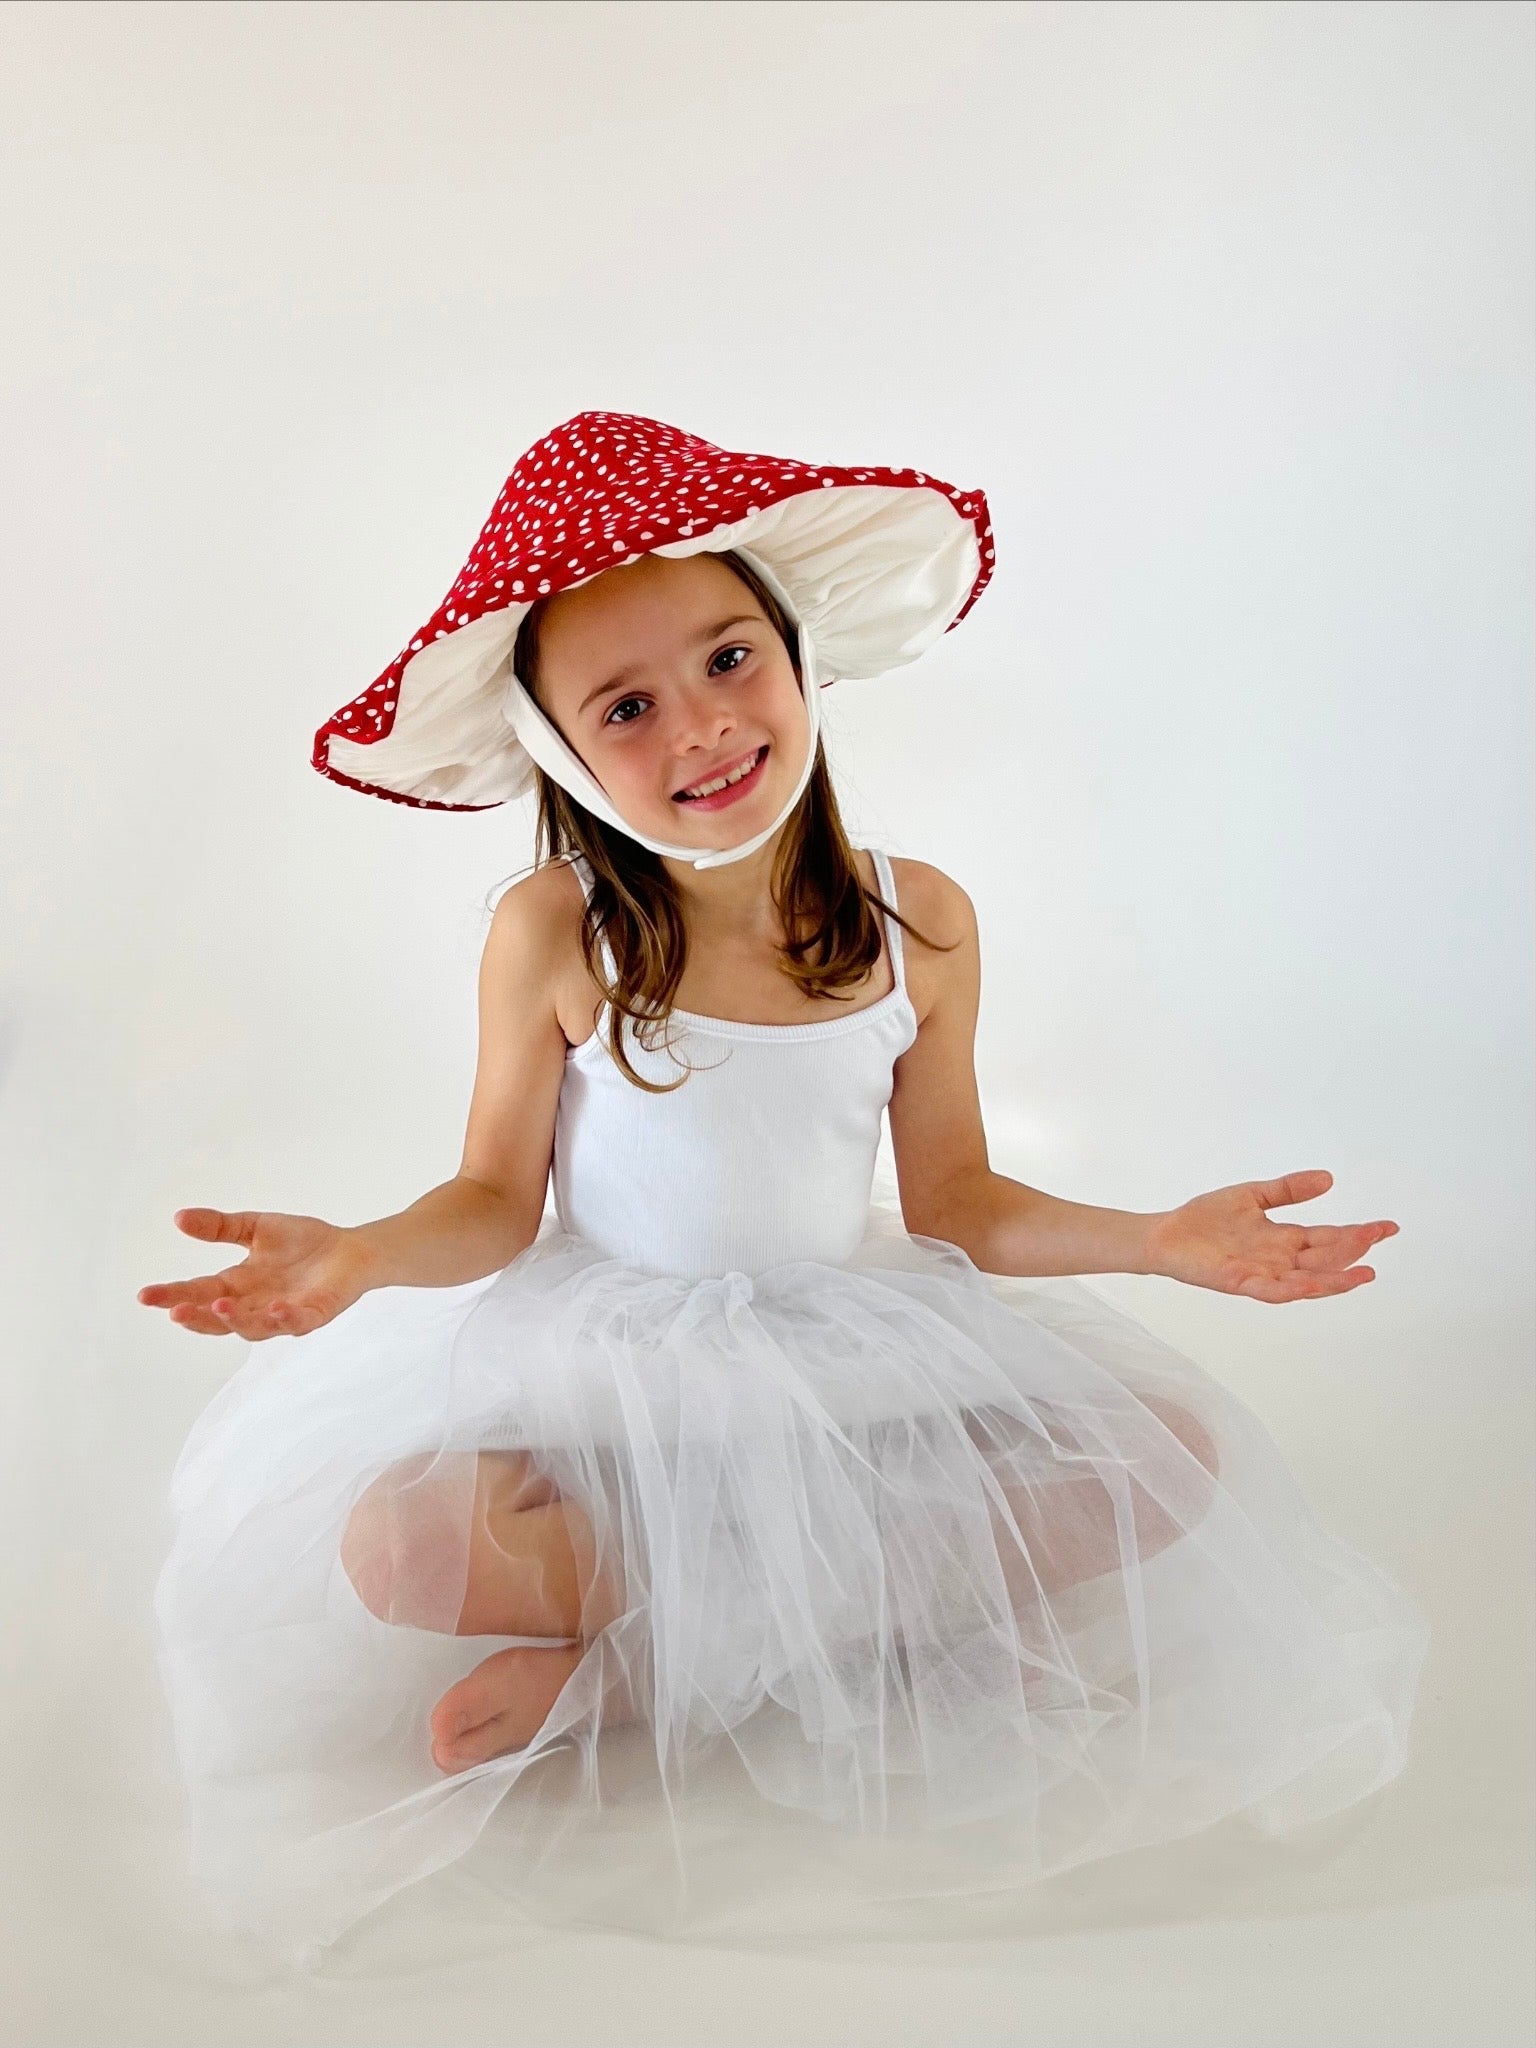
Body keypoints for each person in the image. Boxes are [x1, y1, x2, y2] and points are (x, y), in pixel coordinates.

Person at [141, 411, 1429, 1964]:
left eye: (729, 660)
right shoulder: (556, 934)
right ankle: (824, 1625)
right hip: (617, 1381)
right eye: (626, 705)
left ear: (797, 656)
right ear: (557, 749)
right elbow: (492, 1197)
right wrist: (357, 1252)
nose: (700, 728)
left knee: (1163, 1460)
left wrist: (1159, 1239)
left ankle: (635, 1667)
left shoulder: (920, 921)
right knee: (395, 1545)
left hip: (846, 1358)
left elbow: (956, 1202)